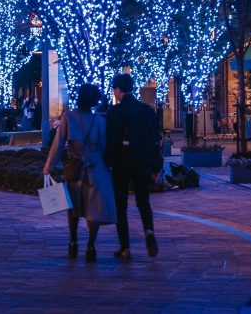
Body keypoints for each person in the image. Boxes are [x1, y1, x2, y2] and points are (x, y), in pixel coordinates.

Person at [43, 84, 116, 263]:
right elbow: (105, 148)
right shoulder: (100, 121)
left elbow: (58, 144)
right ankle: (91, 244)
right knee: (94, 210)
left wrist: (49, 166)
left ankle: (73, 242)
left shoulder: (69, 117)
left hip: (74, 168)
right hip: (97, 169)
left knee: (73, 206)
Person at [106, 74, 162, 260]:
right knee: (143, 202)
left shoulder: (115, 112)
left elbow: (111, 141)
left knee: (120, 205)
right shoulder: (147, 111)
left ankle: (125, 248)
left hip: (122, 163)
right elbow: (156, 140)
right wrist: (156, 167)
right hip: (143, 161)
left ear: (118, 90)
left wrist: (108, 163)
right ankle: (149, 231)